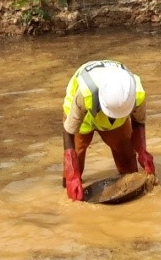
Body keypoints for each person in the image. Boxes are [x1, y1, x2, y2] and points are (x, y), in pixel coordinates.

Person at [61, 60, 156, 201]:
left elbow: (138, 122)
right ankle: (69, 194)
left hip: (117, 121)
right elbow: (68, 131)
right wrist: (72, 175)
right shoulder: (84, 93)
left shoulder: (136, 93)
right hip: (83, 115)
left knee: (129, 165)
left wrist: (142, 151)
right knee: (74, 168)